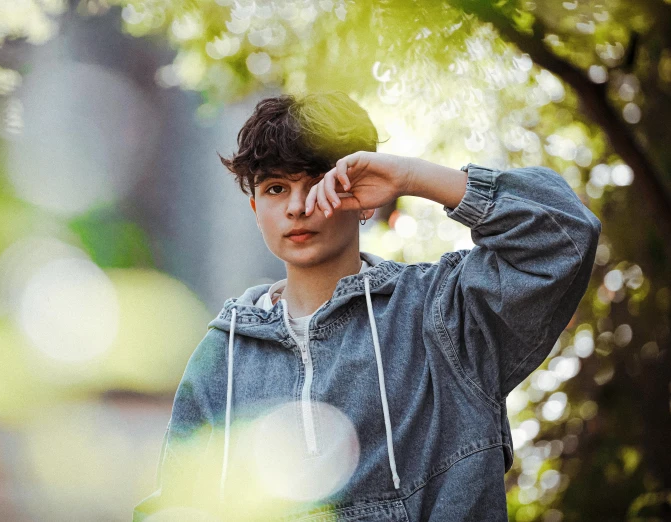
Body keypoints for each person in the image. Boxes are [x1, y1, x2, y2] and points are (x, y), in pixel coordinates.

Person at [132, 91, 602, 521]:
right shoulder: (223, 357)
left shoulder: (443, 313)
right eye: (275, 188)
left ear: (363, 199)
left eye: (317, 183)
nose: (297, 207)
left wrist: (411, 177)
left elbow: (563, 235)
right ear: (256, 208)